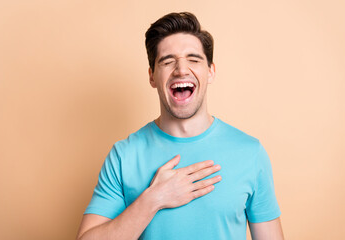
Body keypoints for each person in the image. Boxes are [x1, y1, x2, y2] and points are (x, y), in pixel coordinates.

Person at [76, 12, 284, 240]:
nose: (181, 70)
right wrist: (153, 199)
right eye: (167, 61)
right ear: (152, 77)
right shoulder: (123, 156)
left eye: (193, 59)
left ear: (210, 71)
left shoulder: (250, 153)